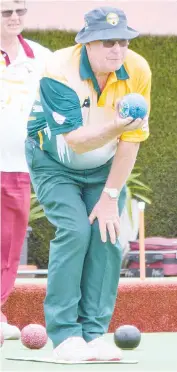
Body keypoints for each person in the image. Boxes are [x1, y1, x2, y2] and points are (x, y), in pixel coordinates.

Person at [25, 6, 151, 361]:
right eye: (108, 42)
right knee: (76, 230)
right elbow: (76, 140)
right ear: (87, 43)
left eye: (124, 41)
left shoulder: (138, 69)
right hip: (54, 161)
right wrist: (117, 125)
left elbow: (132, 140)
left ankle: (93, 333)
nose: (118, 50)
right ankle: (65, 336)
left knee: (108, 234)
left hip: (104, 165)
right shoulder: (59, 71)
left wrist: (111, 195)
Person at [0, 0, 51, 339]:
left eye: (20, 10)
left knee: (8, 244)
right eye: (6, 12)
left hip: (18, 165)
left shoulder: (43, 58)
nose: (15, 17)